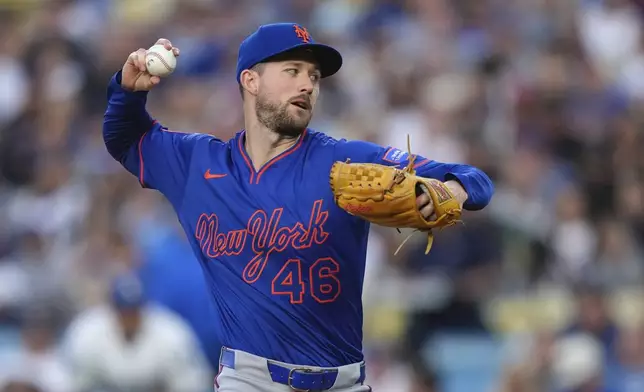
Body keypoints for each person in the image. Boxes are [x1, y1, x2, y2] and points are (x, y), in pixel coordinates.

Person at [102, 22, 494, 392]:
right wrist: (127, 89)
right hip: (248, 380)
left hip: (341, 381)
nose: (307, 84)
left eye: (314, 76)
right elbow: (124, 137)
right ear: (250, 80)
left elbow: (473, 178)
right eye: (292, 70)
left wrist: (450, 194)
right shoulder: (197, 165)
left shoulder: (345, 162)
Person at [61, 273, 211, 392]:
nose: (129, 317)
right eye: (123, 311)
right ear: (112, 309)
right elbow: (72, 385)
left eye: (134, 311)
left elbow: (193, 384)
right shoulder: (87, 333)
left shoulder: (171, 332)